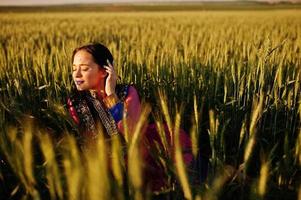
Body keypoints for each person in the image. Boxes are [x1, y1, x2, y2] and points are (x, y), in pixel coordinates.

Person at [66, 43, 197, 192]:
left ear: (104, 71)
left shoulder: (127, 92)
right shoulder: (75, 102)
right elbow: (87, 142)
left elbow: (132, 134)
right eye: (74, 68)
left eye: (84, 69)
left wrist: (111, 96)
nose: (76, 75)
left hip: (143, 153)